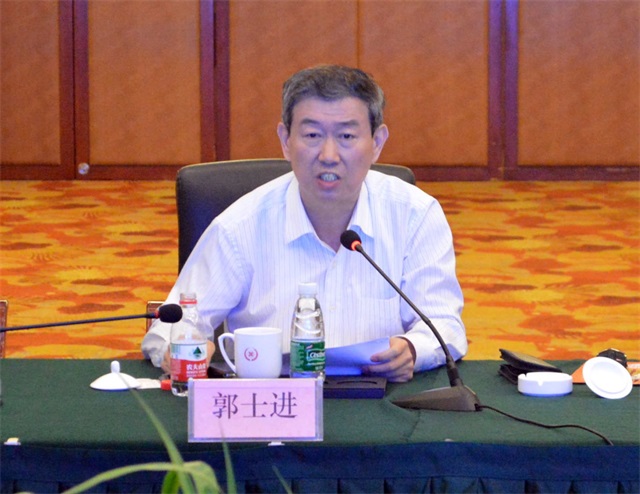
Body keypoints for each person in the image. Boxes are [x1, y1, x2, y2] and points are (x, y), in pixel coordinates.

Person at [142, 64, 467, 383]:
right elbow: (170, 326)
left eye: (346, 136)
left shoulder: (414, 215)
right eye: (312, 135)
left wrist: (413, 349)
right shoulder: (239, 226)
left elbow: (444, 325)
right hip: (271, 402)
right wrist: (181, 347)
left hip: (380, 399)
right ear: (286, 140)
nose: (328, 155)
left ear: (377, 142)